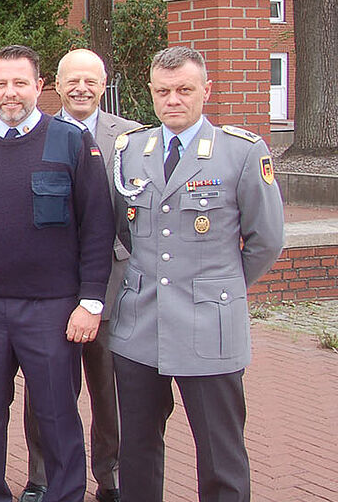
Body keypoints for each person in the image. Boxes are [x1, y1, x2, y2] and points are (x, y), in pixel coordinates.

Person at [0, 45, 114, 502]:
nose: (9, 93)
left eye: (20, 83)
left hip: (52, 308)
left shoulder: (71, 142)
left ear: (40, 87)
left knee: (56, 414)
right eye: (0, 84)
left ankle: (65, 493)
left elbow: (97, 226)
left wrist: (90, 302)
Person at [110, 46, 284, 502]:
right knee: (138, 451)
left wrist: (221, 289)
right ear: (150, 93)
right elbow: (122, 228)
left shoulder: (241, 152)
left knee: (221, 452)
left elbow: (266, 240)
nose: (173, 100)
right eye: (163, 91)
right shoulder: (131, 151)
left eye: (184, 90)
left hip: (210, 325)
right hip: (140, 324)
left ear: (206, 91)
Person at [17, 48, 138, 502]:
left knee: (110, 393)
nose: (81, 88)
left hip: (111, 285)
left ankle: (111, 478)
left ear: (104, 84)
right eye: (72, 81)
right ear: (56, 85)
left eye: (91, 80)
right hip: (52, 288)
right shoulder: (38, 133)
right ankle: (42, 476)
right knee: (45, 391)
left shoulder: (132, 139)